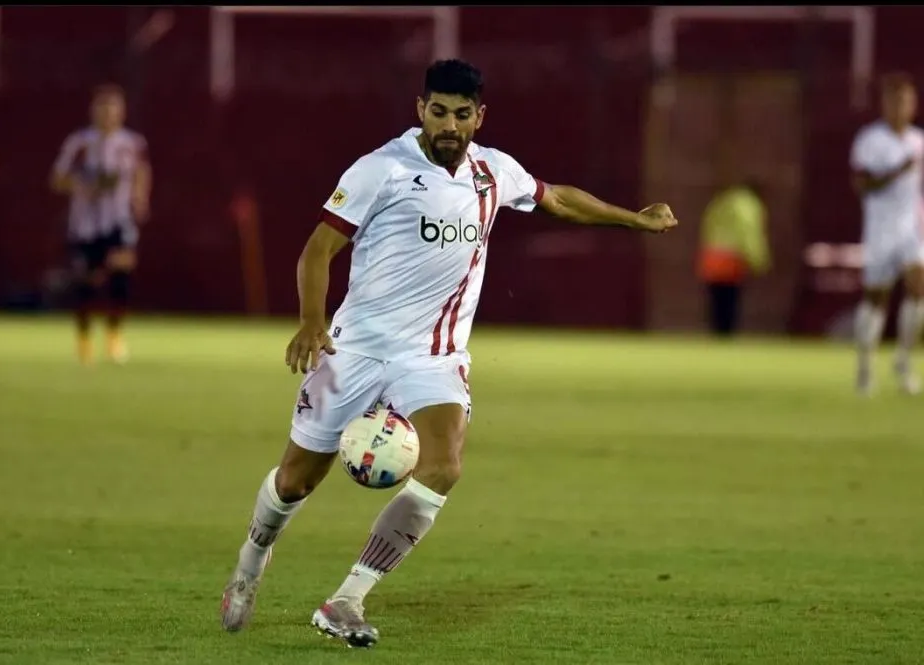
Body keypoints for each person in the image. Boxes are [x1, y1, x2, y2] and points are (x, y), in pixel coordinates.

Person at [219, 59, 678, 648]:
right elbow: (317, 251)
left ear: (478, 117)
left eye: (462, 115)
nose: (449, 125)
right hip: (354, 348)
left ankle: (346, 600)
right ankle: (252, 561)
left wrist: (633, 221)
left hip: (433, 358)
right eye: (438, 111)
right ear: (420, 109)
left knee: (443, 467)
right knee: (295, 481)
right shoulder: (380, 169)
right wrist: (311, 323)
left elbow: (557, 198)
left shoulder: (494, 172)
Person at [50, 84, 151, 365]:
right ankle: (84, 340)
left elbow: (142, 171)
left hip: (119, 219)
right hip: (85, 224)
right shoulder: (79, 142)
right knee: (87, 282)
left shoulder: (132, 143)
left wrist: (141, 197)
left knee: (122, 272)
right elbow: (57, 178)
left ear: (122, 112)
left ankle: (114, 337)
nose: (108, 114)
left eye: (113, 108)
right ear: (93, 111)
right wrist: (85, 185)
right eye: (102, 108)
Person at [849, 72, 924, 396]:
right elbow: (862, 185)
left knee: (918, 287)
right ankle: (865, 366)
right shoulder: (871, 140)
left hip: (911, 229)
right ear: (885, 104)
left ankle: (904, 360)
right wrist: (896, 173)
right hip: (881, 229)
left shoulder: (918, 140)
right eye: (895, 101)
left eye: (906, 101)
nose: (901, 107)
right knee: (875, 300)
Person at [697, 179, 771, 336]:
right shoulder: (748, 206)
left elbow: (707, 227)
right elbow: (749, 234)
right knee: (730, 300)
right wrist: (759, 260)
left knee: (716, 300)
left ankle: (717, 333)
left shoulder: (721, 201)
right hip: (731, 257)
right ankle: (726, 335)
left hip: (711, 256)